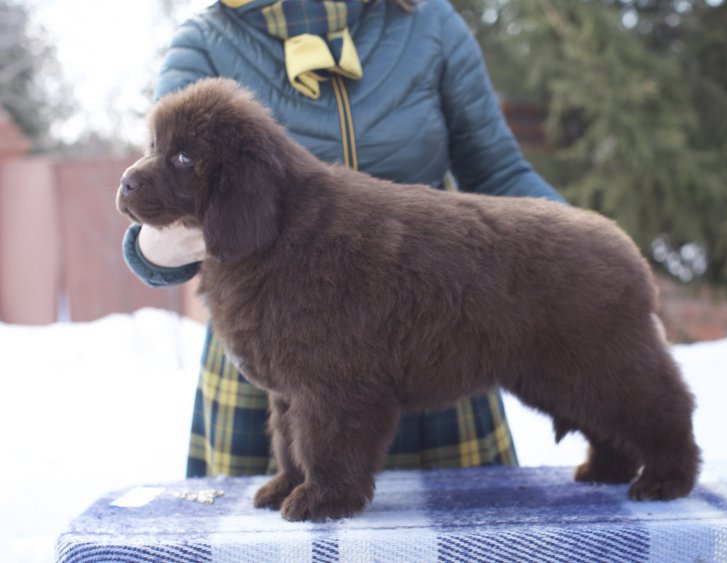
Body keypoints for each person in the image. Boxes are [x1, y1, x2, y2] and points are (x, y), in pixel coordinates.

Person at [122, 0, 565, 479]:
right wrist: (152, 250)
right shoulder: (206, 39)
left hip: (431, 325)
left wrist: (583, 260)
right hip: (272, 355)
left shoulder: (430, 22)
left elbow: (498, 170)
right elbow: (168, 190)